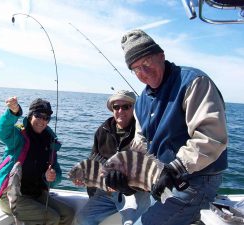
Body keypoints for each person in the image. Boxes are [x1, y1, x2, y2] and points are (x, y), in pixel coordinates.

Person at [120, 29, 228, 225]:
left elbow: (210, 137)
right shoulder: (142, 101)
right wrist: (126, 176)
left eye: (146, 63)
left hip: (197, 180)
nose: (143, 73)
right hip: (163, 181)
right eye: (136, 69)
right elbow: (141, 142)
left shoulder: (194, 82)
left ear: (161, 56)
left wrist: (172, 170)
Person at [74, 90, 151, 225]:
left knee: (135, 223)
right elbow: (94, 161)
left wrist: (128, 187)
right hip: (106, 193)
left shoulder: (142, 132)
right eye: (116, 107)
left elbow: (147, 170)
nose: (120, 110)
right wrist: (87, 180)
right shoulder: (102, 130)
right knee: (83, 219)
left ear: (134, 109)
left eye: (126, 106)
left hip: (135, 192)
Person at [0, 97, 74, 225]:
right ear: (31, 115)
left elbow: (57, 175)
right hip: (9, 195)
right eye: (38, 115)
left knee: (68, 213)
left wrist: (51, 177)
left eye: (46, 118)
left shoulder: (50, 142)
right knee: (51, 217)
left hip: (35, 194)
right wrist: (13, 112)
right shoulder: (19, 133)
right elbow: (1, 131)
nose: (42, 120)